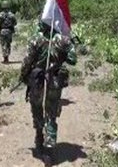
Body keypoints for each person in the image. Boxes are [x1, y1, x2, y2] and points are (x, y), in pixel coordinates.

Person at [20, 21, 77, 154]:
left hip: (37, 81)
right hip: (55, 81)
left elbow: (27, 61)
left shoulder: (36, 39)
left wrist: (23, 77)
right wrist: (62, 54)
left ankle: (39, 136)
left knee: (37, 109)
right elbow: (73, 60)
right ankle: (49, 143)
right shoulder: (64, 40)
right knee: (51, 113)